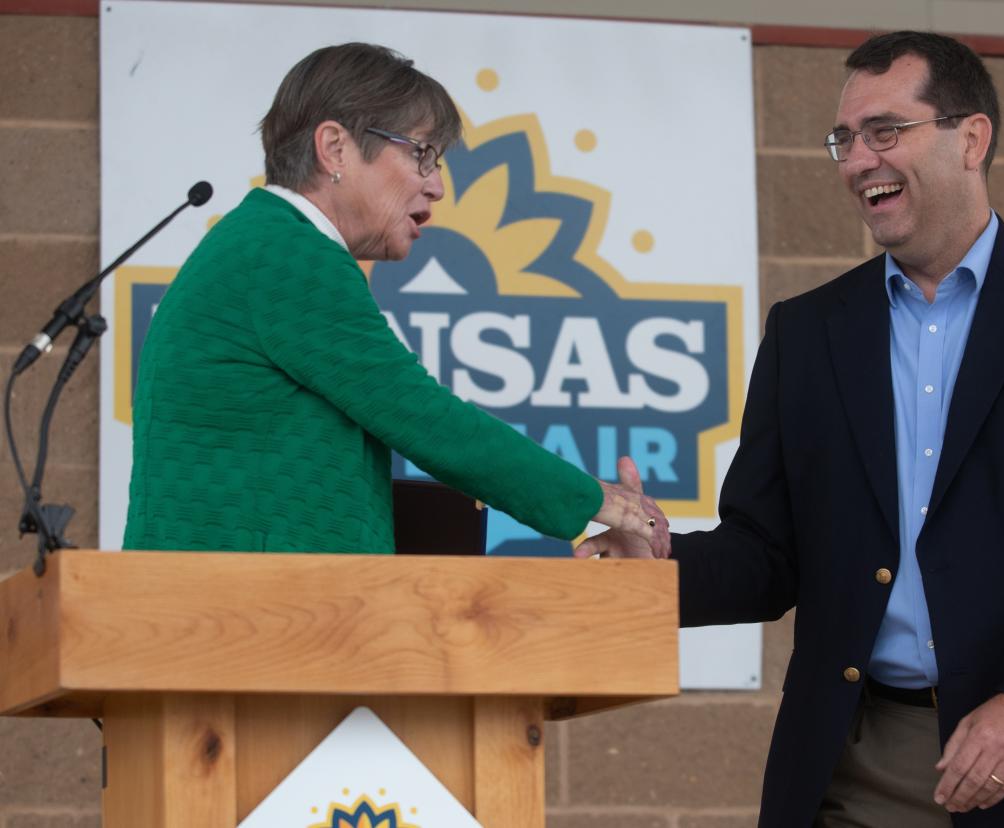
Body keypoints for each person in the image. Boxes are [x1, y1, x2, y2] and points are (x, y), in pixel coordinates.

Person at [579, 31, 1004, 827]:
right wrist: (660, 570)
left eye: (885, 131)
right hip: (854, 767)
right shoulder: (806, 333)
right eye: (845, 138)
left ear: (970, 138)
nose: (857, 159)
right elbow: (769, 554)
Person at [123, 43, 668, 557]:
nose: (436, 187)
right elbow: (427, 421)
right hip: (236, 625)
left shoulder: (268, 242)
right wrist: (604, 504)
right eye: (423, 155)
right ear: (335, 148)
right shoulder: (285, 250)